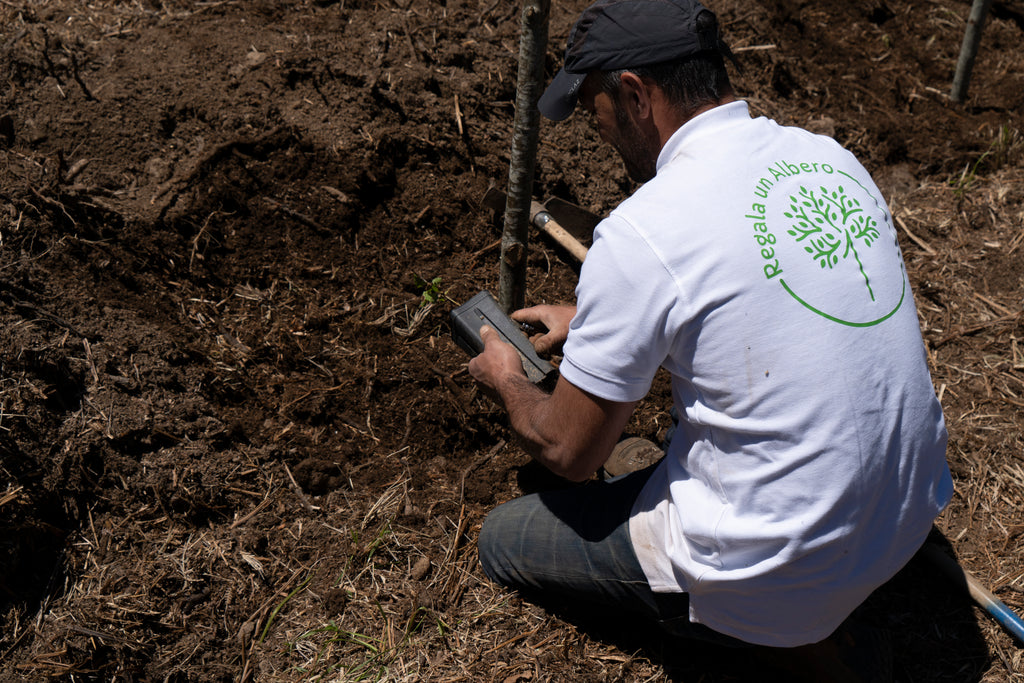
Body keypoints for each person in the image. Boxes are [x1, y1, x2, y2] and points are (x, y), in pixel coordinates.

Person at [468, 0, 953, 677]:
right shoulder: (827, 160)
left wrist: (507, 377)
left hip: (777, 564)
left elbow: (568, 449)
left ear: (634, 94)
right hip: (900, 521)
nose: (598, 129)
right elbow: (773, 294)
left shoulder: (646, 227)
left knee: (503, 539)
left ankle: (796, 649)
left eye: (593, 108)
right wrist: (595, 322)